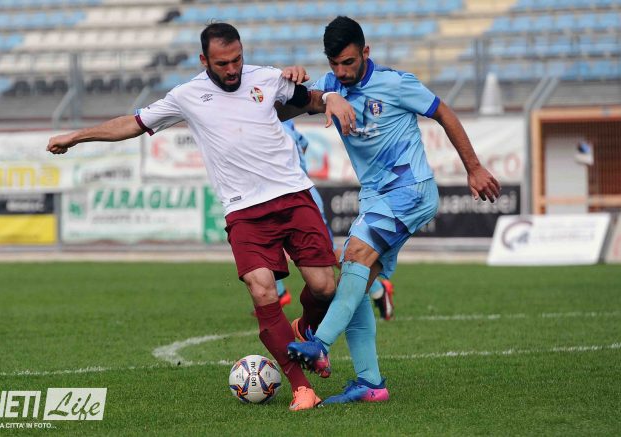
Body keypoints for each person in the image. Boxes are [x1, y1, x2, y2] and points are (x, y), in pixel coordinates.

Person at [46, 22, 356, 411]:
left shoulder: (266, 78)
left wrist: (329, 95)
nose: (232, 69)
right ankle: (301, 387)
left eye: (237, 59)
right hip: (244, 210)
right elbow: (133, 123)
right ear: (204, 60)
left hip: (293, 196)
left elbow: (308, 99)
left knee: (325, 287)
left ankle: (304, 328)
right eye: (223, 63)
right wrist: (76, 136)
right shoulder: (187, 95)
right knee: (262, 290)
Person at [287, 16, 501, 405]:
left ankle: (319, 344)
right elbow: (286, 108)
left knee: (354, 256)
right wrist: (285, 82)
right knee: (356, 283)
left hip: (409, 190)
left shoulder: (397, 83)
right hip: (376, 197)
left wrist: (473, 168)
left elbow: (444, 113)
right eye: (334, 64)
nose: (342, 71)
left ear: (365, 52)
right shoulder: (331, 84)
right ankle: (370, 383)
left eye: (349, 62)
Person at [275, 120, 395, 322]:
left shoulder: (274, 122)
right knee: (269, 245)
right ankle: (278, 292)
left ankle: (377, 287)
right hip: (281, 196)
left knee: (325, 253)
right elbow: (303, 145)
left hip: (299, 197)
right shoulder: (284, 121)